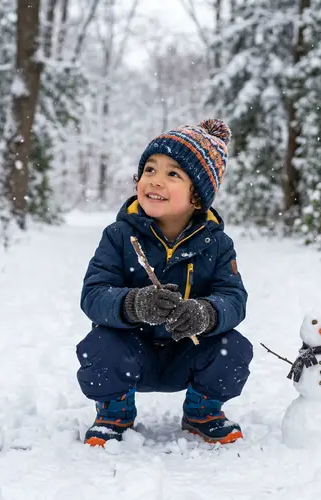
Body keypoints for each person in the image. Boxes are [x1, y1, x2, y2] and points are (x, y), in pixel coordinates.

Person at [76, 118, 253, 447]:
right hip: (132, 351)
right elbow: (94, 294)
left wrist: (205, 312)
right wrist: (134, 304)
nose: (155, 181)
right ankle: (114, 410)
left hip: (189, 353)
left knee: (234, 348)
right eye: (150, 170)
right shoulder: (119, 236)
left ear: (197, 195)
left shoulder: (217, 244)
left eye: (173, 174)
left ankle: (203, 410)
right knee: (101, 342)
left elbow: (234, 298)